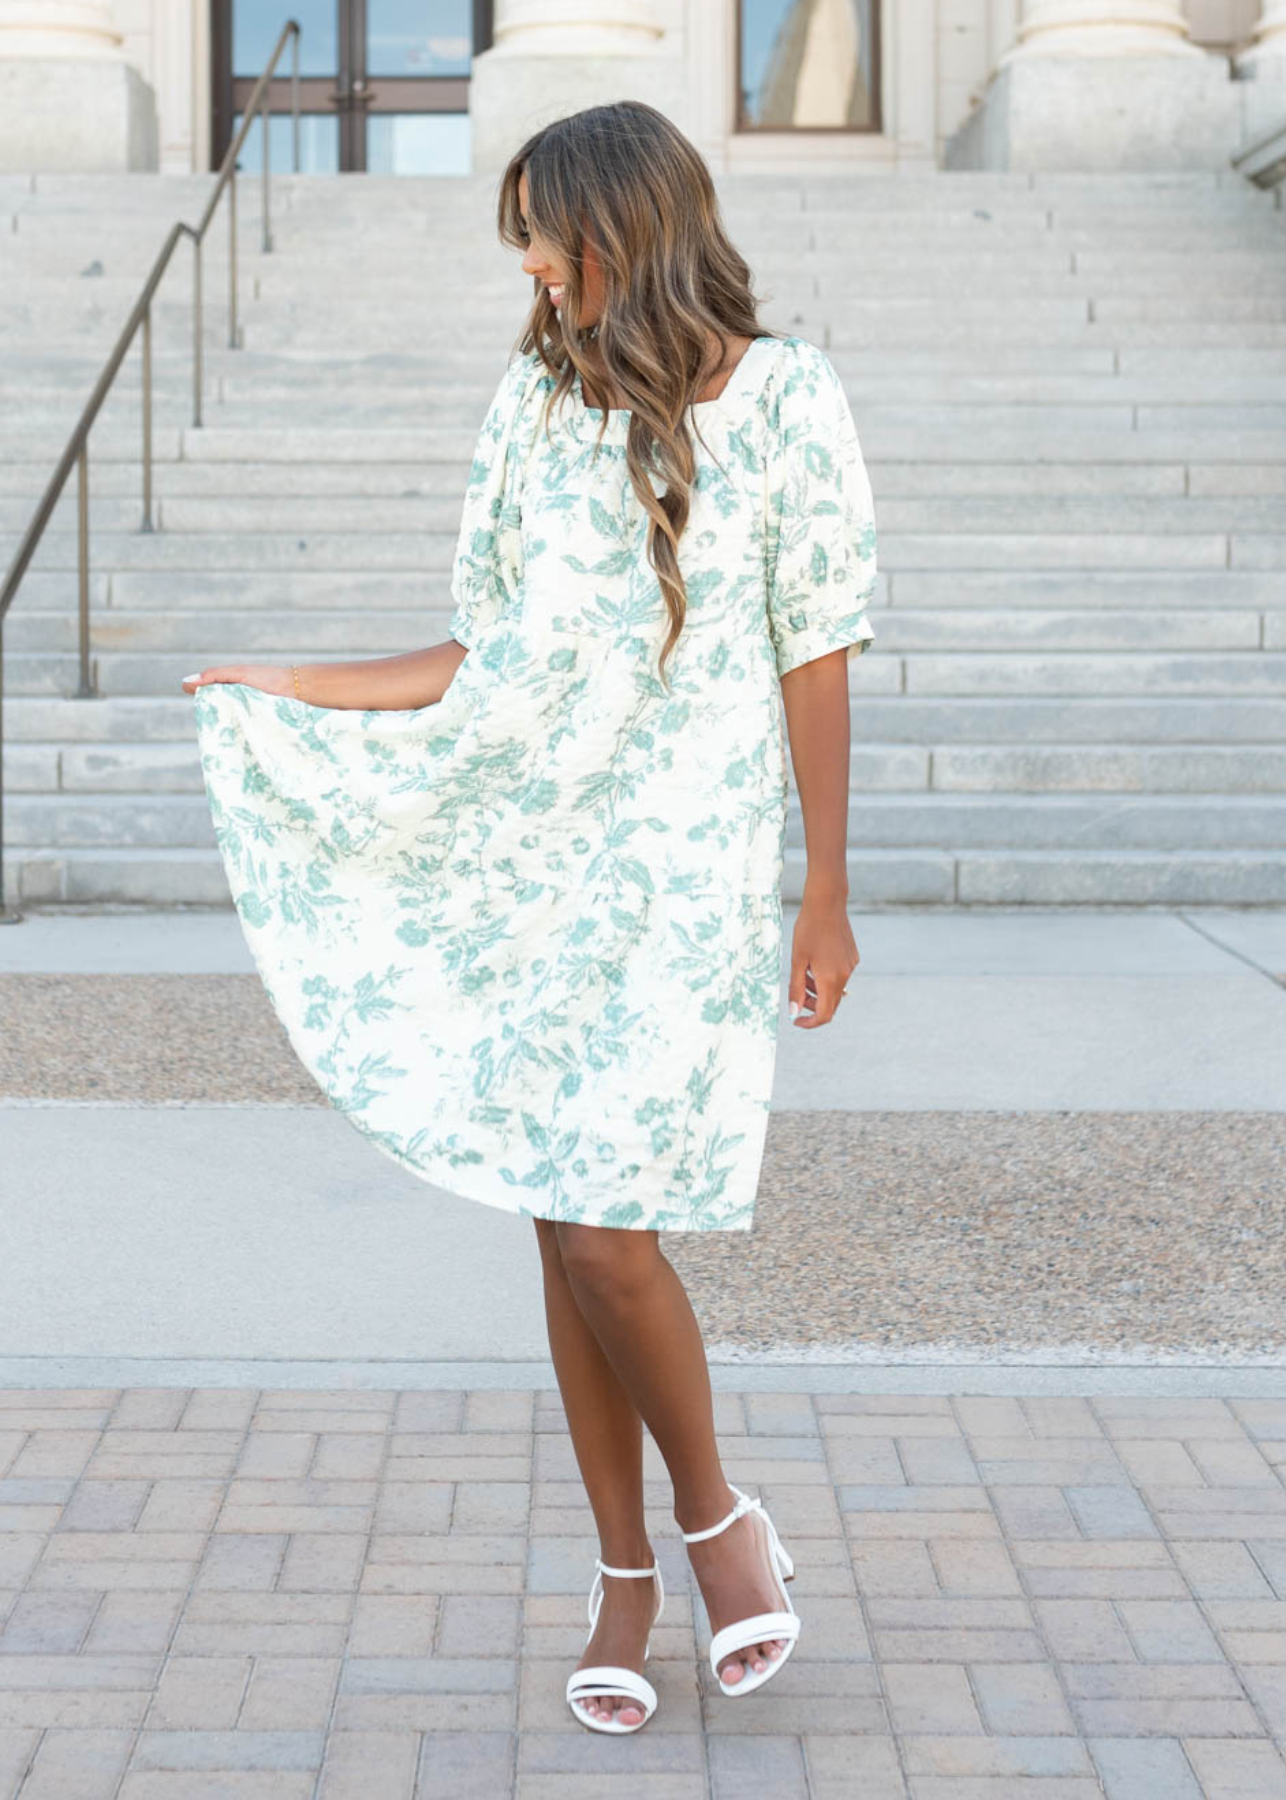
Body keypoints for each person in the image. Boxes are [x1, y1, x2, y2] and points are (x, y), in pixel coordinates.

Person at [183, 99, 877, 1736]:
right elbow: (476, 651)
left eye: (541, 230)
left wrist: (828, 883)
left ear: (619, 227)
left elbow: (816, 644)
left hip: (687, 878)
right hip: (534, 862)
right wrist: (291, 683)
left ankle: (711, 1532)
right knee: (566, 1224)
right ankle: (626, 1571)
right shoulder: (532, 403)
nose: (525, 261)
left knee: (602, 1234)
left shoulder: (784, 400)